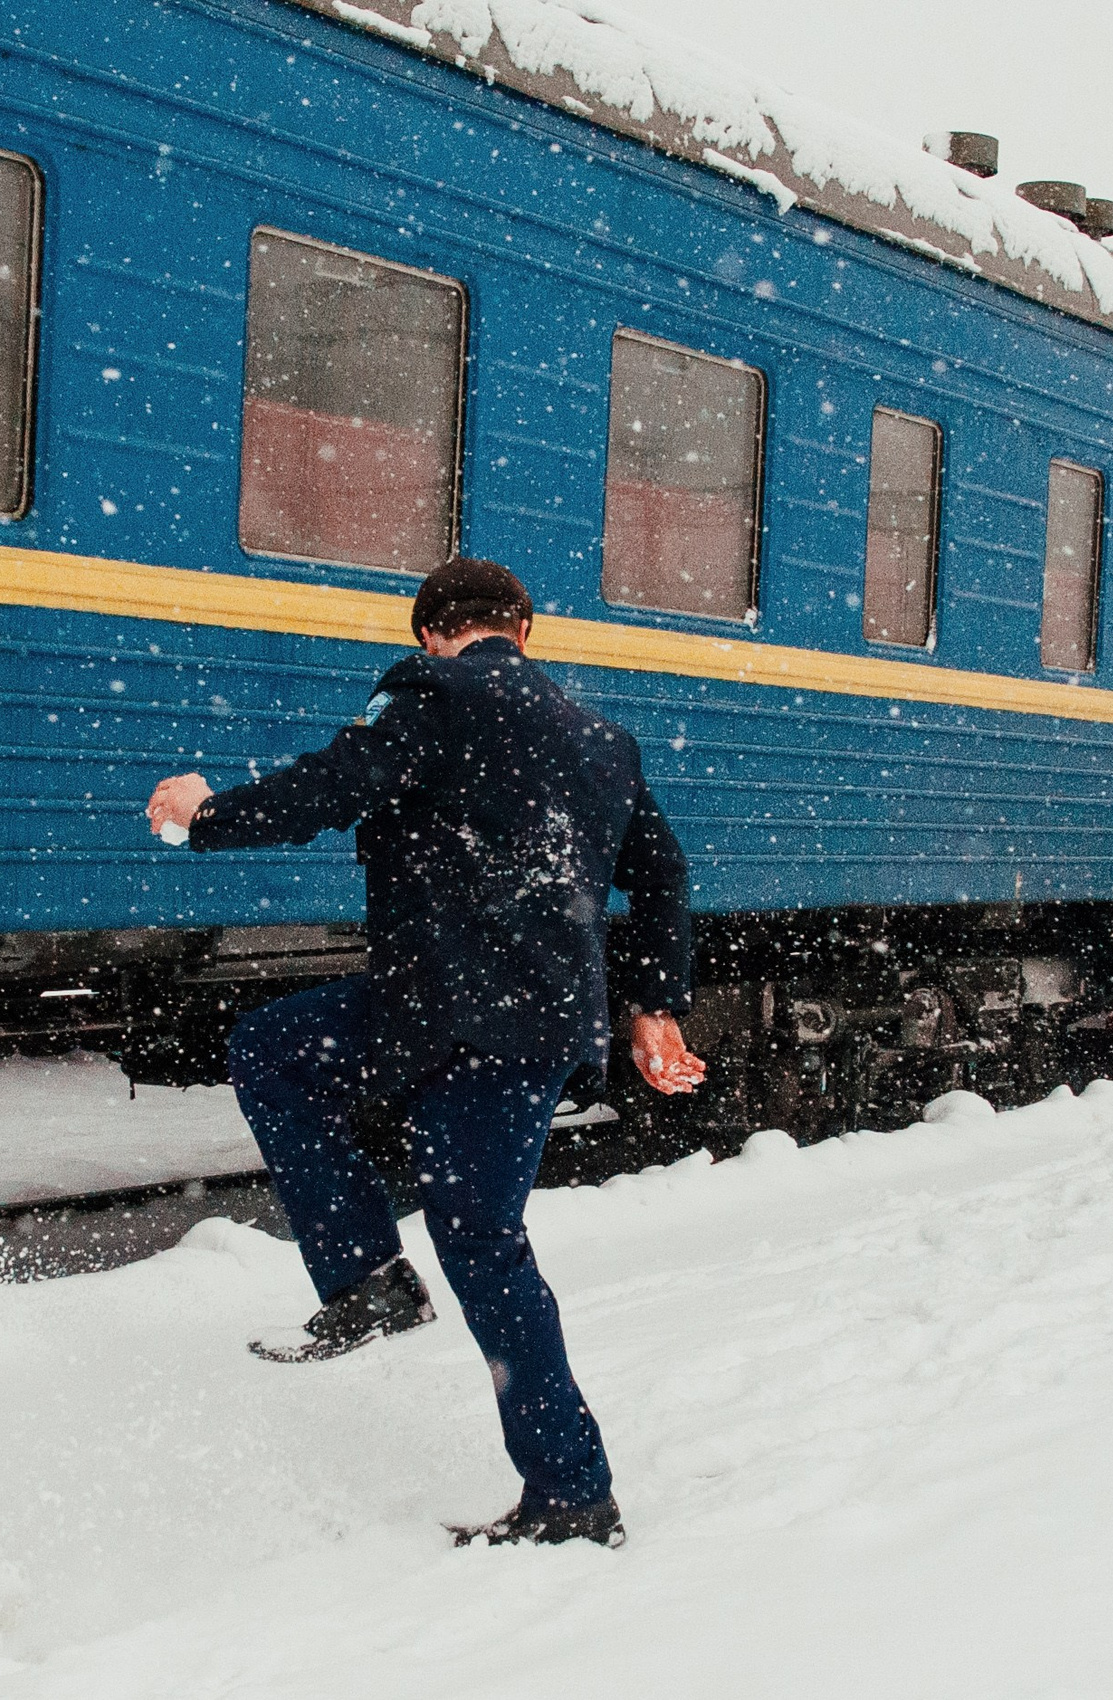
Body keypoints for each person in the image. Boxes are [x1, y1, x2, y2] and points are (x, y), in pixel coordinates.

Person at [145, 557, 705, 1550]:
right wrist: (654, 1005)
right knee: (458, 1216)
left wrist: (208, 814)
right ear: (523, 630)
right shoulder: (601, 740)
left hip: (446, 1014)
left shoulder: (432, 696)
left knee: (303, 1080)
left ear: (430, 635)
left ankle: (563, 1484)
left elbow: (329, 788)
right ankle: (382, 1296)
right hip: (529, 1026)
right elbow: (662, 874)